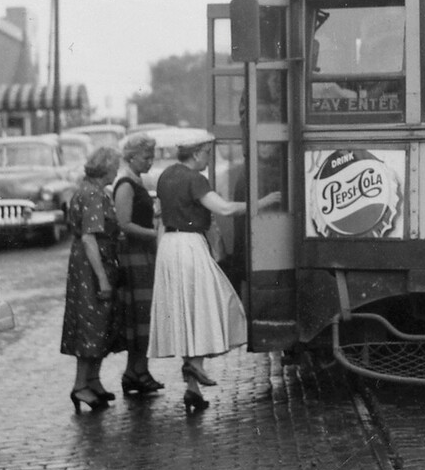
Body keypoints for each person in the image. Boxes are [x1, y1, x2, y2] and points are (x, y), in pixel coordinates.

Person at [148, 132, 278, 415]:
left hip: (169, 246)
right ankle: (195, 366)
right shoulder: (195, 179)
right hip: (190, 245)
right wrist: (264, 202)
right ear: (196, 154)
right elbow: (225, 208)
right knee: (211, 303)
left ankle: (192, 387)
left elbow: (159, 217)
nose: (208, 158)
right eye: (207, 153)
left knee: (186, 310)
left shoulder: (166, 175)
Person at [61, 146, 124, 413]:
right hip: (92, 266)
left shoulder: (90, 191)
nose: (116, 171)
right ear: (106, 169)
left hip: (92, 263)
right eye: (114, 167)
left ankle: (92, 380)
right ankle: (80, 385)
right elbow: (89, 237)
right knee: (91, 324)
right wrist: (102, 279)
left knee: (99, 322)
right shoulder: (93, 195)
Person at [112, 133, 162, 397]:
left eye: (152, 156)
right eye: (146, 157)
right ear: (131, 157)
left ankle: (137, 371)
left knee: (143, 314)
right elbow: (123, 223)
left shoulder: (136, 180)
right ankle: (136, 371)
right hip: (134, 254)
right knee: (140, 314)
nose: (150, 161)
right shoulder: (126, 184)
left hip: (141, 252)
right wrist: (155, 234)